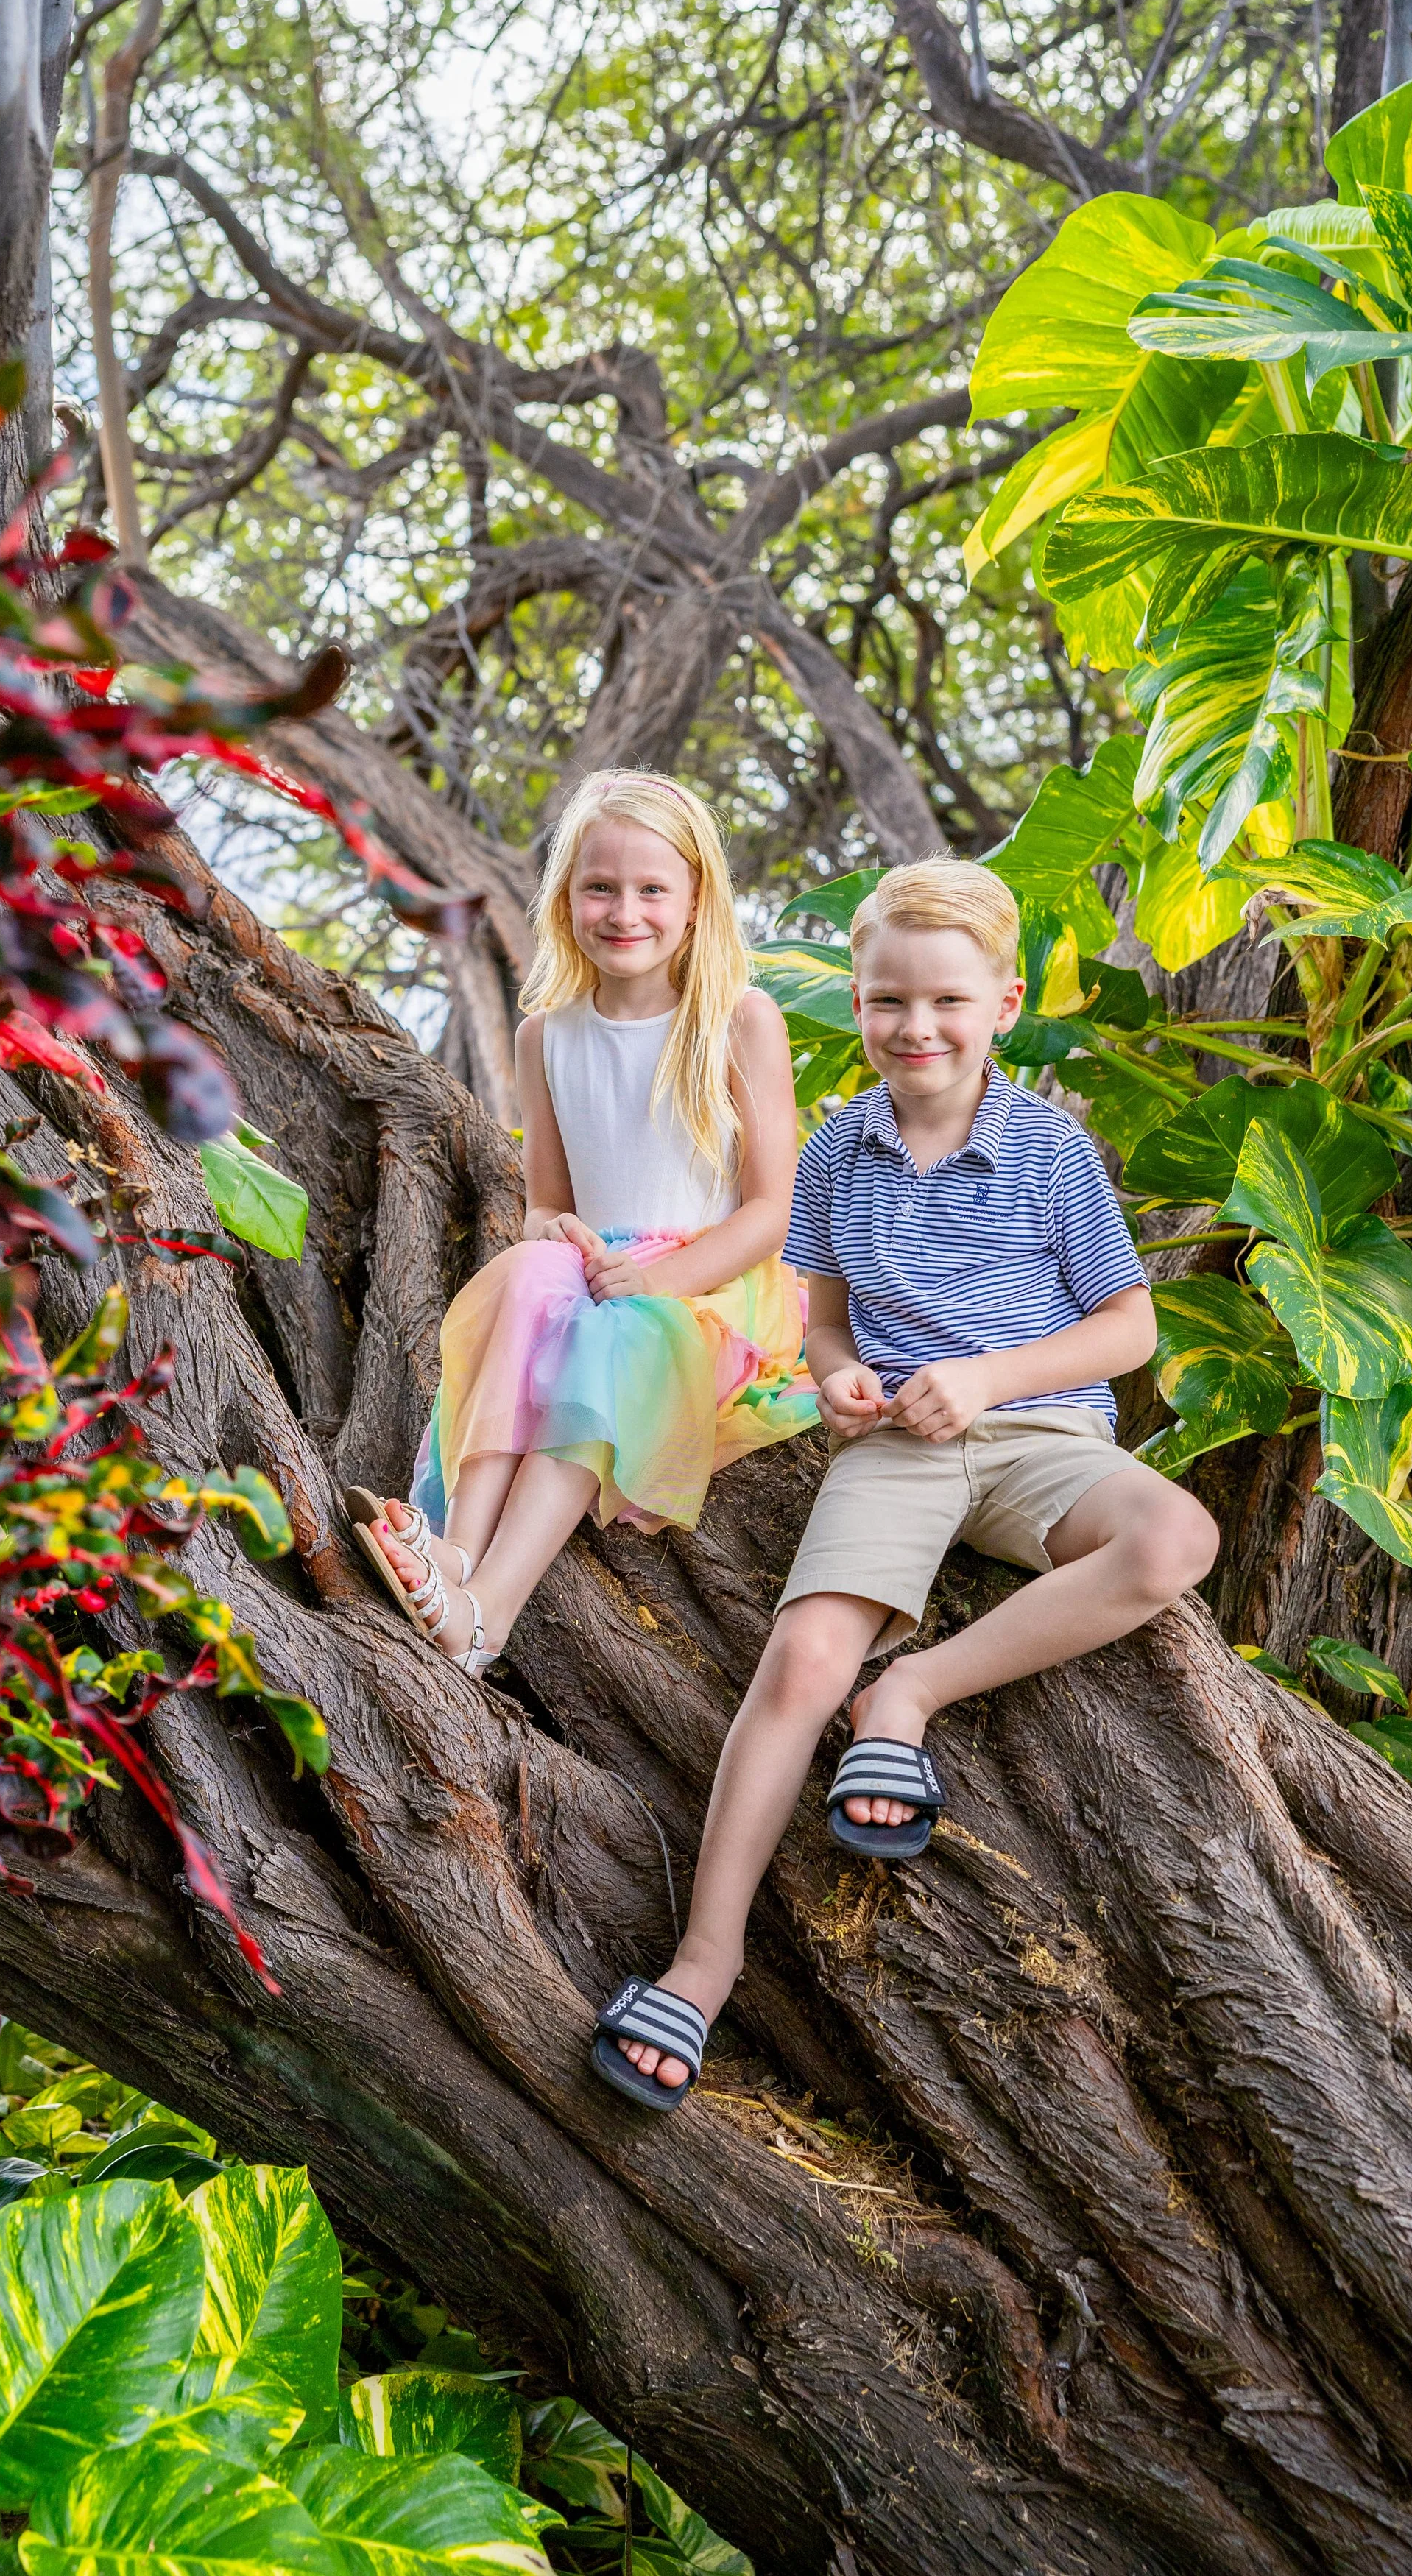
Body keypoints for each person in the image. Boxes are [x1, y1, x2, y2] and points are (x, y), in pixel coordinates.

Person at [594, 856, 1218, 2109]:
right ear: (860, 1006)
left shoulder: (1052, 1147)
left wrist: (984, 1381)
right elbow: (827, 1326)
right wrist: (838, 1381)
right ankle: (701, 1970)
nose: (913, 1028)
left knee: (1173, 1541)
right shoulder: (835, 1152)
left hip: (1039, 1435)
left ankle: (912, 1697)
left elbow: (1128, 1330)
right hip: (896, 1451)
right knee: (799, 1663)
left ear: (1003, 1003)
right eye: (887, 1002)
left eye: (944, 1002)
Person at [346, 768, 816, 1676]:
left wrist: (662, 1279)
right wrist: (554, 1235)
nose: (624, 911)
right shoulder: (546, 1034)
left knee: (611, 1337)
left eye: (651, 890)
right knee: (524, 1277)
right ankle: (453, 1551)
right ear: (565, 898)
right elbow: (546, 1205)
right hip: (592, 1270)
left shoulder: (735, 1022)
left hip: (710, 1291)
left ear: (695, 901)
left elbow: (768, 1212)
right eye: (600, 887)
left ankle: (486, 1615)